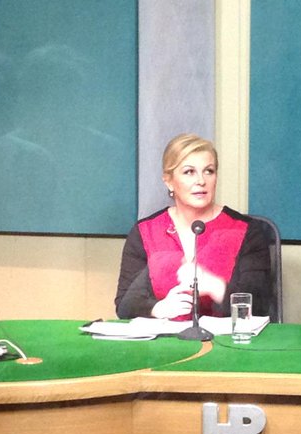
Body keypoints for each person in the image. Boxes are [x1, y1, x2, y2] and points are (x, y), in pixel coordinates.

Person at [115, 133, 272, 320]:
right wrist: (157, 309)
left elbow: (260, 306)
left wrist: (214, 286)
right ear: (168, 181)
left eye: (209, 171)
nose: (201, 181)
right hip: (164, 338)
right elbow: (125, 306)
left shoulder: (246, 231)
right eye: (189, 172)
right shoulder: (145, 232)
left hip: (226, 337)